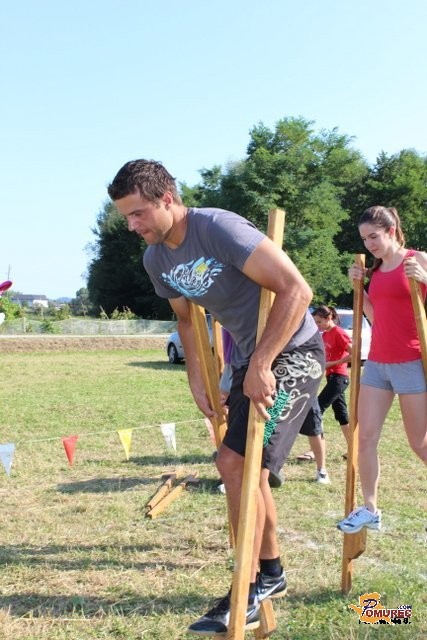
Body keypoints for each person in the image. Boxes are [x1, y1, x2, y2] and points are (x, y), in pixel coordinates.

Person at [108, 159, 325, 635]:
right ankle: (271, 573)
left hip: (295, 353)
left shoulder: (218, 228)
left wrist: (262, 363)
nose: (132, 225)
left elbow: (297, 290)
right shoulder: (156, 260)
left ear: (167, 199)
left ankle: (247, 586)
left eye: (138, 213)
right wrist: (197, 379)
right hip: (251, 361)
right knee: (245, 468)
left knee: (235, 464)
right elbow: (187, 319)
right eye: (126, 217)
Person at [337, 205, 427, 534]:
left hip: (411, 362)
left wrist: (426, 279)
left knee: (419, 443)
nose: (369, 244)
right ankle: (371, 509)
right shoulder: (375, 271)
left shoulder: (417, 259)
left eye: (373, 236)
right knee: (364, 438)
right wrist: (359, 288)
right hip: (377, 363)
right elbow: (376, 317)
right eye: (364, 239)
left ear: (391, 231)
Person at [297, 305, 352, 482]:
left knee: (317, 410)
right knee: (342, 415)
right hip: (331, 377)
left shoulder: (339, 333)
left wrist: (334, 363)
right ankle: (354, 449)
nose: (317, 325)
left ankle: (314, 451)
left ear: (329, 318)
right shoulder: (325, 334)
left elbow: (354, 353)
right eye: (315, 322)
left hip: (339, 378)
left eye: (319, 322)